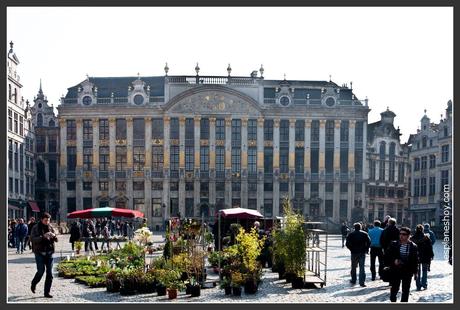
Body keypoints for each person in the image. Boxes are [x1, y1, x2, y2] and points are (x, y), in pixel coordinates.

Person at [384, 227, 418, 302]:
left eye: (404, 234)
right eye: (400, 234)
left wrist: (416, 272)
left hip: (407, 271)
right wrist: (394, 260)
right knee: (394, 289)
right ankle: (393, 301)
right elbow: (387, 255)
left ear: (409, 236)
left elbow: (415, 260)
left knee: (406, 290)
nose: (401, 236)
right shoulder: (394, 244)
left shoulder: (413, 246)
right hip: (396, 270)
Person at [30, 212, 58, 298]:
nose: (47, 222)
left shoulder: (50, 227)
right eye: (45, 220)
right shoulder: (35, 227)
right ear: (41, 220)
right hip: (39, 253)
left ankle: (47, 293)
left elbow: (56, 239)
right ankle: (34, 283)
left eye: (48, 220)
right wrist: (43, 237)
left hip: (49, 253)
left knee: (50, 274)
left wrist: (54, 236)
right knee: (41, 271)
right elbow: (33, 239)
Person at [345, 222, 371, 287]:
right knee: (362, 267)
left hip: (354, 252)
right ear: (360, 227)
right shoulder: (365, 234)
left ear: (354, 227)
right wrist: (366, 249)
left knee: (353, 267)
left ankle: (353, 280)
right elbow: (369, 242)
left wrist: (351, 249)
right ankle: (362, 282)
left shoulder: (351, 234)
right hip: (362, 252)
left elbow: (347, 244)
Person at [410, 224, 434, 291]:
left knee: (417, 271)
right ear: (422, 230)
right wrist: (431, 255)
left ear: (416, 230)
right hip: (425, 256)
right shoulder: (426, 238)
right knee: (424, 271)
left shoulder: (412, 239)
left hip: (416, 257)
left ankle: (418, 286)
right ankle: (424, 284)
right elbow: (430, 248)